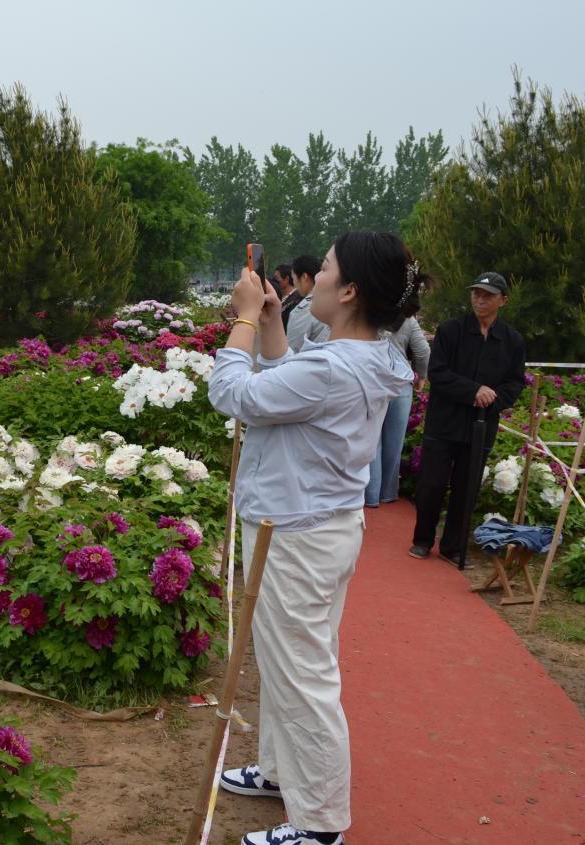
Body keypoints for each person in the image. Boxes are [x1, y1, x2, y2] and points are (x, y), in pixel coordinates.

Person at [208, 232, 420, 845]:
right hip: (317, 526)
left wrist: (243, 320)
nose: (314, 277)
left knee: (302, 675)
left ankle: (320, 825)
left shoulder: (332, 367)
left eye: (325, 268)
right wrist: (271, 323)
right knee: (288, 662)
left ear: (349, 290)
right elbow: (287, 386)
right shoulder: (362, 355)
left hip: (295, 535)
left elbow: (234, 394)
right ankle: (281, 773)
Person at [409, 272, 526, 564]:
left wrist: (493, 398)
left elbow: (515, 383)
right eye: (476, 293)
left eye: (488, 295)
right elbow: (438, 372)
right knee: (432, 484)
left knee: (467, 488)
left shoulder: (512, 340)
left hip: (481, 426)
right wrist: (473, 391)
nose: (480, 300)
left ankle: (453, 546)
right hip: (444, 422)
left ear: (503, 300)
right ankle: (422, 539)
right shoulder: (451, 330)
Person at [365, 315, 430, 507]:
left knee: (372, 439)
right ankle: (388, 493)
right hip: (401, 383)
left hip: (372, 380)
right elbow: (423, 351)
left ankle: (371, 495)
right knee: (395, 442)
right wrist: (422, 375)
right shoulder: (408, 319)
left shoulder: (369, 311)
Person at [283, 254, 326, 344]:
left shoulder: (303, 311)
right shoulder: (334, 303)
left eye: (293, 278)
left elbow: (293, 348)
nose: (294, 284)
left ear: (304, 277)